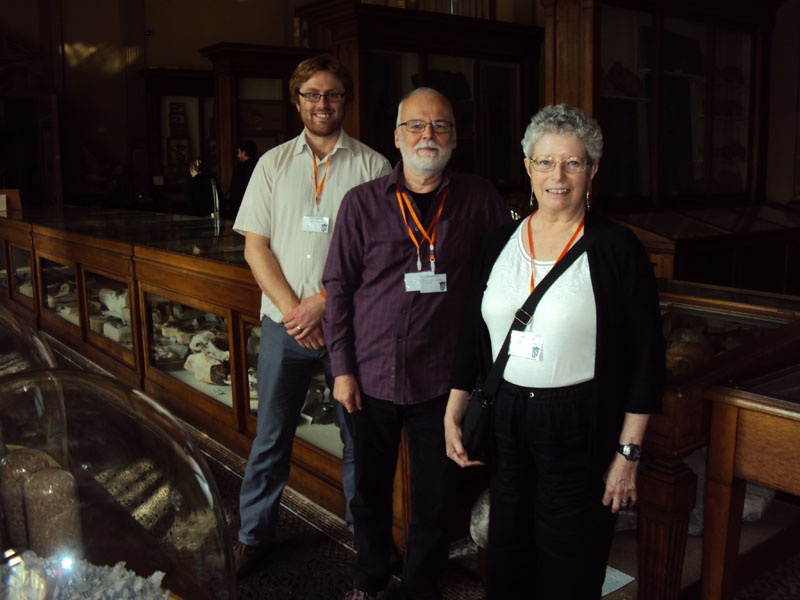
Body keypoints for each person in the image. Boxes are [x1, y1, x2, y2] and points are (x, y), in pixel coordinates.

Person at [444, 103, 665, 599]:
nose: (557, 176)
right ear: (528, 168)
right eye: (545, 162)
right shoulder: (497, 243)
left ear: (592, 172)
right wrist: (454, 410)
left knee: (570, 561)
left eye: (573, 163)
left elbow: (648, 357)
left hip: (579, 422)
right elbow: (472, 337)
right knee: (507, 554)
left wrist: (628, 452)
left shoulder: (616, 248)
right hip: (506, 417)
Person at [322, 87, 510, 600]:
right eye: (417, 126)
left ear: (454, 137)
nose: (428, 135)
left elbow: (505, 280)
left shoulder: (479, 199)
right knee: (369, 493)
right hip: (371, 374)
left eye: (441, 126)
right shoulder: (361, 203)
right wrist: (341, 370)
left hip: (443, 382)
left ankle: (422, 587)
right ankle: (370, 579)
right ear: (397, 138)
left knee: (434, 498)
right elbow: (337, 289)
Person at [232, 54, 392, 577]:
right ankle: (254, 535)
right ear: (296, 100)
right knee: (271, 437)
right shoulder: (272, 164)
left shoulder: (373, 166)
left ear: (346, 100)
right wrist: (293, 312)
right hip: (284, 329)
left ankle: (363, 538)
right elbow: (256, 247)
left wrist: (324, 303)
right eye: (312, 95)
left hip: (350, 330)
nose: (323, 104)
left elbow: (382, 253)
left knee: (357, 441)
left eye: (333, 95)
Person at [227, 139, 258, 218]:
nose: (237, 155)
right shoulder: (260, 165)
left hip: (242, 207)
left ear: (244, 153)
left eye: (239, 152)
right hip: (257, 206)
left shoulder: (240, 168)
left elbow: (235, 191)